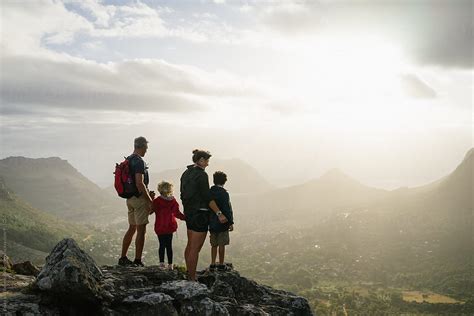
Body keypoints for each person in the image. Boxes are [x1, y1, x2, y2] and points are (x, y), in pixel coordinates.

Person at [180, 149, 228, 281]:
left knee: (190, 245)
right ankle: (192, 278)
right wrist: (219, 213)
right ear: (201, 160)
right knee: (195, 248)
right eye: (206, 161)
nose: (207, 164)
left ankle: (189, 273)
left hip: (189, 213)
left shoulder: (186, 173)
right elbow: (207, 197)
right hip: (200, 215)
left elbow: (182, 194)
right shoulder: (201, 175)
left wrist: (187, 209)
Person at [118, 136, 154, 267]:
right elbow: (140, 183)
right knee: (141, 230)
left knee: (131, 228)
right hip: (139, 200)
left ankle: (123, 258)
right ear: (142, 147)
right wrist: (150, 201)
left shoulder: (128, 159)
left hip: (129, 199)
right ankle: (138, 260)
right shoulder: (139, 161)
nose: (146, 151)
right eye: (146, 148)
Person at [151, 181, 185, 270]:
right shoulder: (173, 201)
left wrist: (151, 199)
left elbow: (151, 210)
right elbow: (177, 213)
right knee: (169, 246)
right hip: (170, 226)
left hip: (160, 226)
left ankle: (161, 263)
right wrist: (185, 218)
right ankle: (170, 265)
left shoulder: (157, 201)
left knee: (161, 245)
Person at [209, 171, 234, 271]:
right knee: (221, 244)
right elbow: (227, 209)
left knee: (213, 245)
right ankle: (221, 264)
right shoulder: (224, 194)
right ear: (224, 182)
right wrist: (230, 222)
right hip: (222, 224)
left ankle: (212, 263)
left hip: (212, 223)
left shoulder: (210, 192)